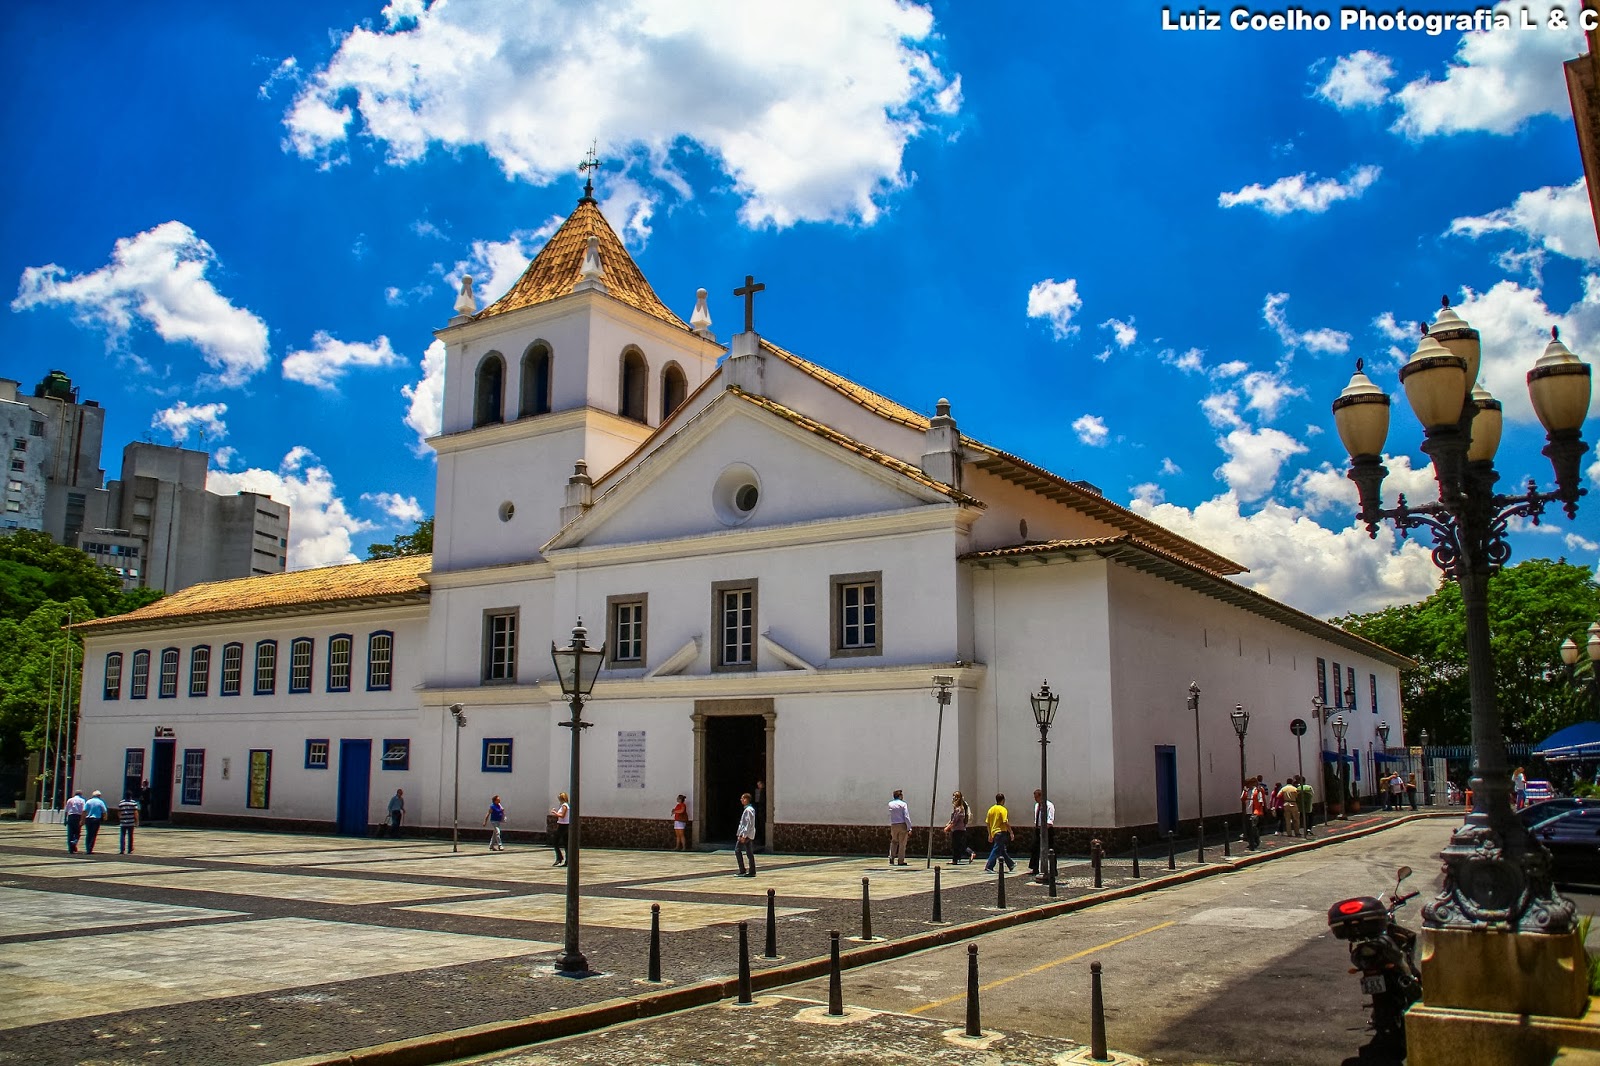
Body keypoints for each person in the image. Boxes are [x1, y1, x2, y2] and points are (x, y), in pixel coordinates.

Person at [984, 793, 1015, 874]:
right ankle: (989, 866)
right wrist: (1011, 832)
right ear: (1003, 800)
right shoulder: (1003, 809)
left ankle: (1011, 864)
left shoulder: (991, 809)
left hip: (994, 832)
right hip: (1001, 832)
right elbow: (1005, 821)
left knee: (1001, 849)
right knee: (996, 849)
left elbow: (988, 823)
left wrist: (990, 834)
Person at [1029, 788, 1055, 879]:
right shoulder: (1037, 805)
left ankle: (1053, 869)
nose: (1035, 799)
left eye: (1036, 797)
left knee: (1050, 849)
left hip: (1047, 829)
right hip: (1038, 828)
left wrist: (1044, 829)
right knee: (1034, 848)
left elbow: (1050, 819)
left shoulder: (1049, 805)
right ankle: (1034, 867)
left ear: (1041, 796)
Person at [886, 789, 912, 866]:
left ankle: (891, 857)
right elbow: (906, 816)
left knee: (894, 841)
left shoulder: (890, 804)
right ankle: (900, 860)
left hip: (894, 824)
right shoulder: (903, 804)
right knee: (902, 843)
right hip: (902, 824)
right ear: (900, 796)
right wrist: (909, 827)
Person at [944, 791, 970, 864]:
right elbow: (953, 819)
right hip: (960, 829)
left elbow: (955, 820)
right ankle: (957, 859)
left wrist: (948, 827)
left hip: (958, 829)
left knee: (956, 845)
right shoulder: (961, 809)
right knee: (959, 845)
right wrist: (948, 824)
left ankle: (956, 859)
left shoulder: (959, 809)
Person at [735, 792, 757, 877]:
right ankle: (752, 870)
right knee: (749, 853)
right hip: (747, 834)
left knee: (737, 850)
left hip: (746, 835)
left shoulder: (748, 810)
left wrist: (743, 835)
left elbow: (747, 824)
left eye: (742, 798)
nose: (741, 800)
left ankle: (742, 870)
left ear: (746, 799)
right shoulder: (749, 810)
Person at [1240, 777, 1265, 850]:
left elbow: (1261, 802)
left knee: (1253, 827)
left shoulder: (1257, 791)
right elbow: (1242, 798)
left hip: (1255, 812)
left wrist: (1260, 812)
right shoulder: (1246, 791)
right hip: (1247, 811)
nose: (1247, 786)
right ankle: (1251, 842)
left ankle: (1255, 841)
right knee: (1248, 828)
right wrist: (1244, 791)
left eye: (1248, 784)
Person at [83, 790, 108, 854]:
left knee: (88, 833)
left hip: (88, 819)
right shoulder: (100, 802)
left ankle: (87, 848)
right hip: (96, 819)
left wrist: (82, 819)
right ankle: (90, 848)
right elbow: (104, 811)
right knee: (93, 834)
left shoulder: (88, 801)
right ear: (99, 796)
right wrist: (105, 818)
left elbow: (84, 811)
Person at [550, 792, 570, 866]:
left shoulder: (564, 806)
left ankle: (559, 857)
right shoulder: (565, 805)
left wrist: (555, 813)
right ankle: (567, 860)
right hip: (565, 825)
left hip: (563, 826)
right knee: (566, 843)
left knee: (555, 841)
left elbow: (562, 815)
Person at [63, 790, 86, 854]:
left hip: (70, 816)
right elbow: (84, 810)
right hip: (78, 816)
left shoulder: (70, 800)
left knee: (70, 833)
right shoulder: (82, 800)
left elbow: (66, 810)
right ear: (80, 794)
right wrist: (83, 819)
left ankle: (70, 848)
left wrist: (65, 819)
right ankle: (75, 841)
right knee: (77, 832)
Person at [752, 779, 766, 847]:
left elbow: (761, 802)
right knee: (760, 826)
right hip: (760, 811)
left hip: (762, 812)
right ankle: (761, 840)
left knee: (762, 827)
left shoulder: (763, 792)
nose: (759, 786)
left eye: (759, 785)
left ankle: (762, 841)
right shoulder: (759, 792)